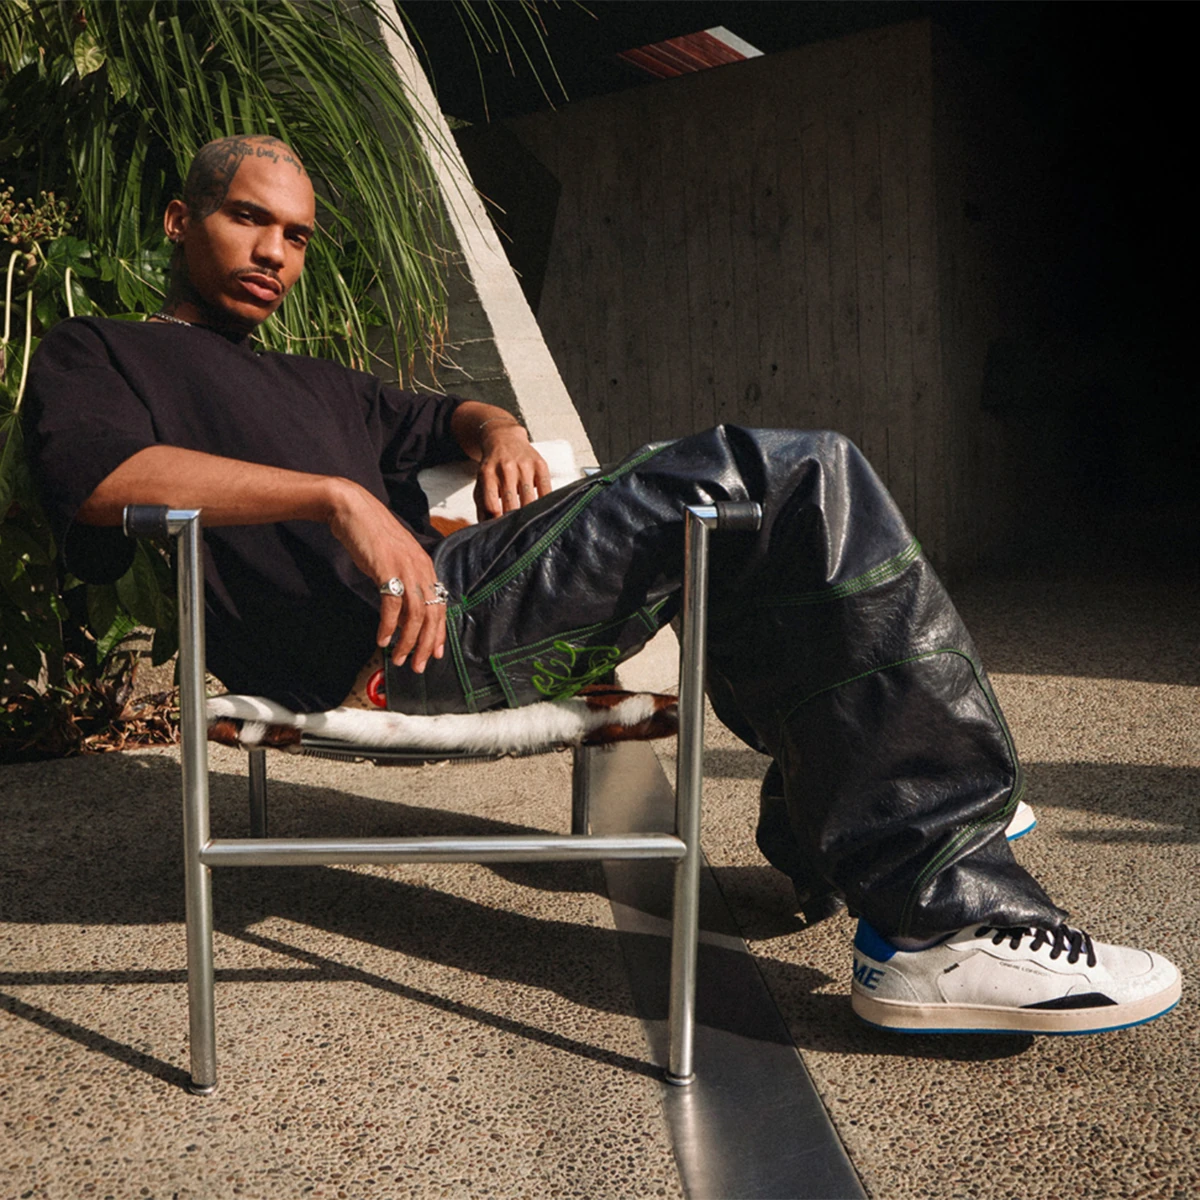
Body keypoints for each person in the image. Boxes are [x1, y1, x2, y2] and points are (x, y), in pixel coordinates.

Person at [24, 135, 1181, 1036]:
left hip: (463, 592)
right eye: (247, 219)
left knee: (752, 523)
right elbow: (98, 478)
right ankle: (945, 911)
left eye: (296, 234)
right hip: (395, 638)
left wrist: (496, 433)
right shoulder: (103, 352)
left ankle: (853, 823)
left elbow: (448, 413)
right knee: (784, 473)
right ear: (180, 219)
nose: (275, 251)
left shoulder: (317, 380)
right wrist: (337, 498)